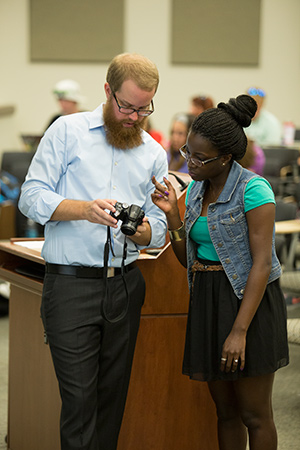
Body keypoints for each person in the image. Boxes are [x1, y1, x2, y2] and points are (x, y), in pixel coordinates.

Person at [19, 52, 168, 450]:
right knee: (80, 401)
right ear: (107, 90)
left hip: (124, 285)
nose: (135, 117)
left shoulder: (153, 153)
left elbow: (158, 232)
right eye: (127, 106)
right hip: (70, 287)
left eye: (144, 108)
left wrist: (137, 230)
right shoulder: (67, 131)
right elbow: (30, 198)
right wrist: (84, 209)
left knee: (111, 399)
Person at [152, 95, 289, 450]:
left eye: (200, 157)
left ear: (226, 158)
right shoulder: (197, 189)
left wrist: (239, 332)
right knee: (225, 412)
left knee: (254, 415)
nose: (190, 162)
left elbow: (261, 263)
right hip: (210, 301)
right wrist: (172, 217)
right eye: (187, 152)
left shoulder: (253, 190)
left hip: (249, 305)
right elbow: (188, 260)